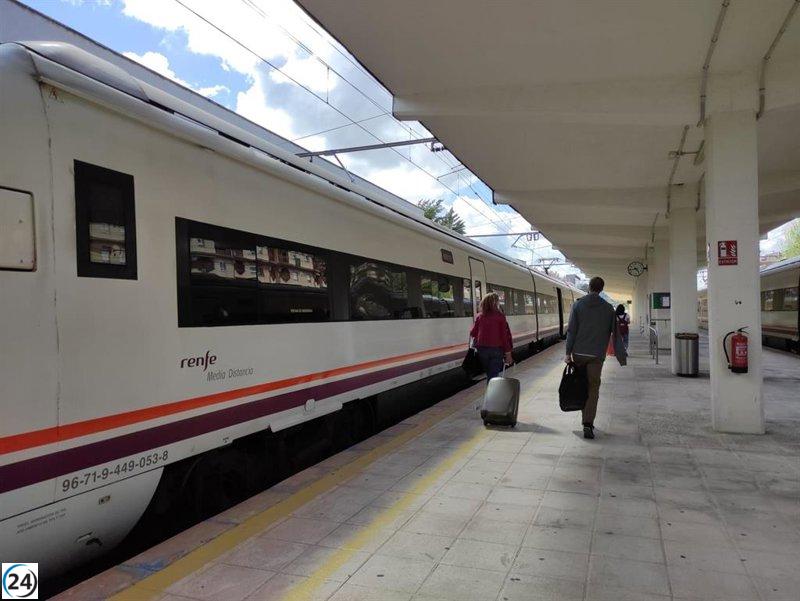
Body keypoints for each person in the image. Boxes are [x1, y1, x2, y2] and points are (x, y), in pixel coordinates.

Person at [565, 277, 627, 439]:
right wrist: (621, 356)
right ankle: (588, 423)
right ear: (601, 289)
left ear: (589, 287)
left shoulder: (578, 305)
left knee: (581, 385)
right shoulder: (608, 309)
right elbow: (615, 333)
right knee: (593, 388)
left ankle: (582, 415)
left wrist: (567, 353)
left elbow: (571, 331)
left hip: (578, 354)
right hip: (596, 355)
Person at [470, 292, 513, 380]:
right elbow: (504, 337)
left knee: (490, 374)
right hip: (496, 350)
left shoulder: (480, 316)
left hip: (482, 350)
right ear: (496, 303)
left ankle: (490, 391)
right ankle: (491, 392)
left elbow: (473, 333)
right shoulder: (500, 316)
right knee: (493, 375)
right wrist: (508, 353)